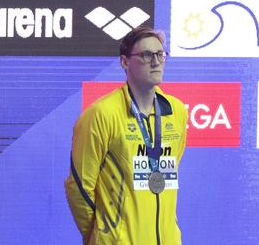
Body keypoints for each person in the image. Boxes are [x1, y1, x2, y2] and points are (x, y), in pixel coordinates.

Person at [64, 26, 188, 245]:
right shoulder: (101, 114)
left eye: (160, 54)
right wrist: (101, 235)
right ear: (124, 62)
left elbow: (169, 172)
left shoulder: (176, 112)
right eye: (147, 55)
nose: (156, 62)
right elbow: (80, 187)